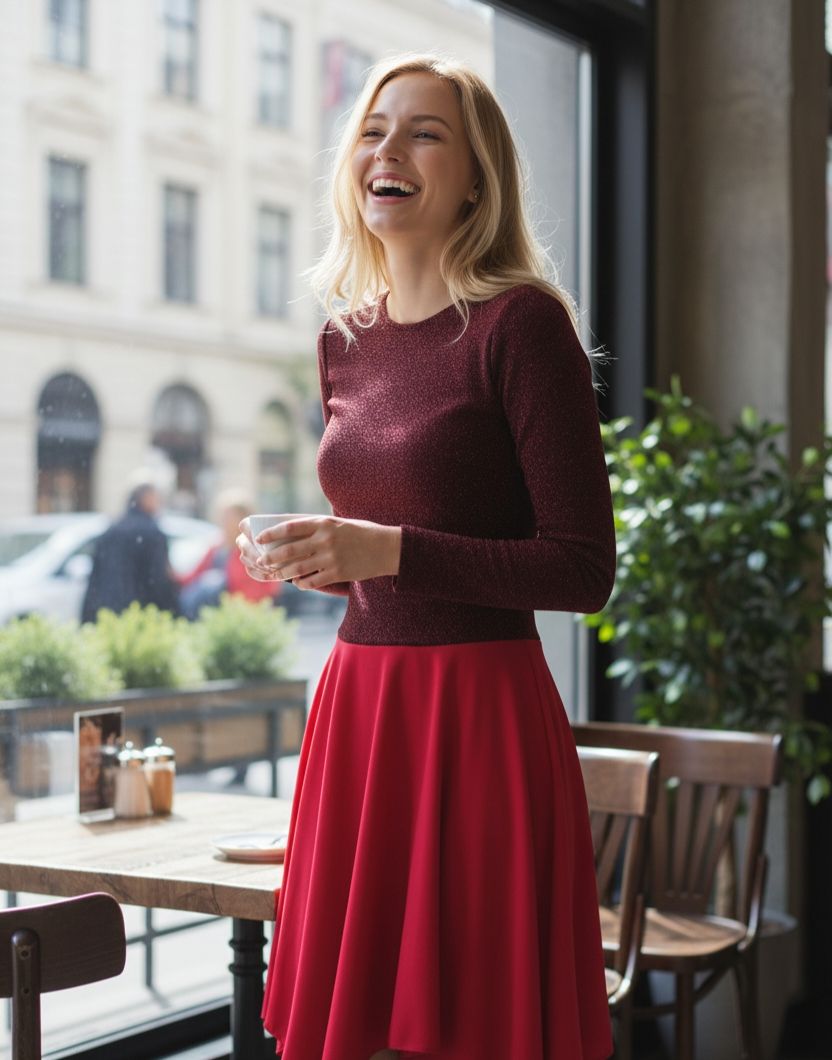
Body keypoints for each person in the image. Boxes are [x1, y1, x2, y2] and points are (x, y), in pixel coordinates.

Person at [238, 53, 616, 1060]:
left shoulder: (521, 325)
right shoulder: (342, 341)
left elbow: (581, 569)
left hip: (477, 715)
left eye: (424, 133)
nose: (387, 152)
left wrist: (388, 550)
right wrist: (318, 555)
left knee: (474, 1023)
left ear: (476, 179)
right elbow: (383, 545)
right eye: (372, 130)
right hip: (361, 709)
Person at [81, 481, 180, 623]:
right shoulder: (152, 533)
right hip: (138, 616)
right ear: (146, 499)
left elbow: (94, 581)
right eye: (157, 499)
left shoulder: (111, 531)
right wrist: (174, 613)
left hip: (106, 616)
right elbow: (159, 581)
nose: (159, 505)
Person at [178, 490, 281, 619]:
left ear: (243, 519)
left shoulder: (258, 548)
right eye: (223, 517)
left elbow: (270, 588)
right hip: (220, 617)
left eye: (228, 517)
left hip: (248, 617)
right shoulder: (217, 549)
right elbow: (193, 577)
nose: (224, 521)